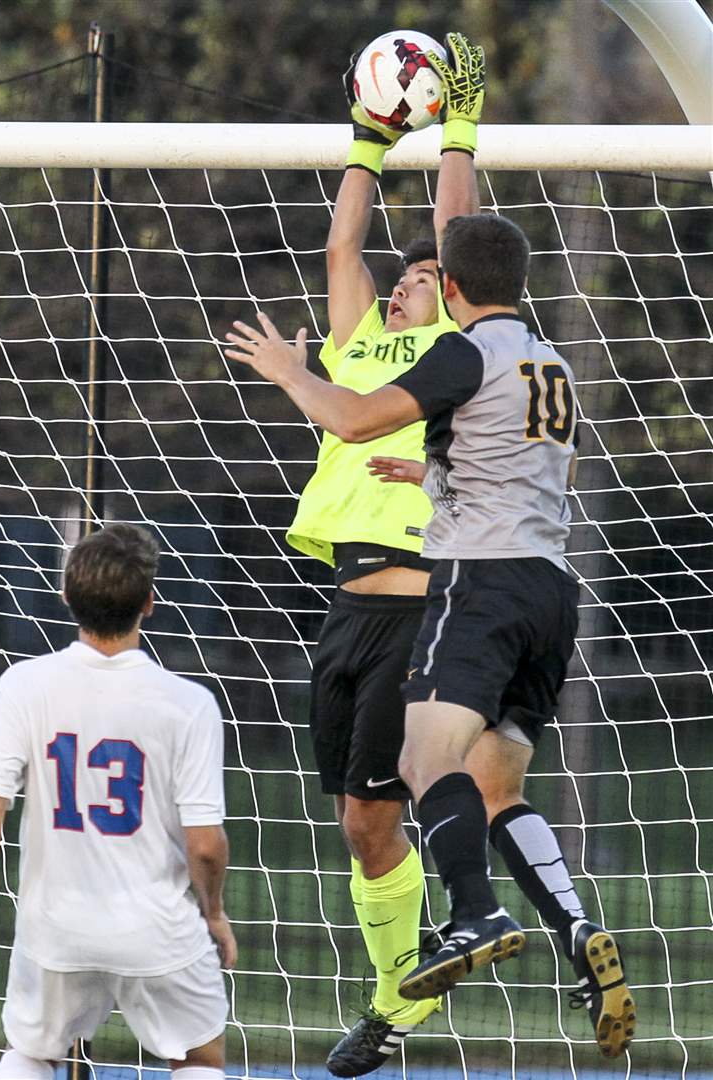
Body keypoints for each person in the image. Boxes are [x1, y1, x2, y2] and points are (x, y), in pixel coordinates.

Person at [223, 212, 636, 1058]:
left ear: (450, 289)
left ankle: (472, 916)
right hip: (551, 593)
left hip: (475, 586)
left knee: (419, 764)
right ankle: (576, 928)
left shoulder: (464, 350)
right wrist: (436, 470)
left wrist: (287, 372)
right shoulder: (547, 361)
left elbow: (348, 418)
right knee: (495, 787)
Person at [282, 31, 484, 1076]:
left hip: (421, 607)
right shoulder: (359, 343)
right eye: (402, 281)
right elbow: (340, 252)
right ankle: (406, 986)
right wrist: (367, 139)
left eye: (426, 279)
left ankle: (401, 995)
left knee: (386, 803)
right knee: (361, 826)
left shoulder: (453, 350)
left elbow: (457, 231)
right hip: (347, 607)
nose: (406, 285)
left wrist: (456, 126)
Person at [0, 523, 235, 1080]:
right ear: (149, 603)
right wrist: (216, 914)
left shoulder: (24, 684)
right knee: (198, 1058)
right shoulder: (188, 703)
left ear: (65, 596)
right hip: (156, 930)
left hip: (55, 929)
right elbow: (205, 843)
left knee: (32, 1053)